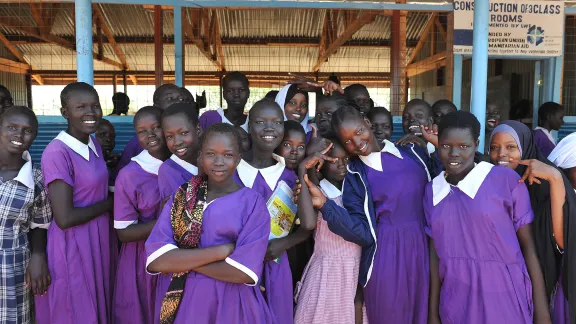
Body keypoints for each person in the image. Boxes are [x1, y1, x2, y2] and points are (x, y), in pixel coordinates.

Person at [426, 111, 551, 323]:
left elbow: (528, 247)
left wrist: (542, 314)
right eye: (446, 146)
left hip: (503, 296)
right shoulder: (433, 190)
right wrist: (432, 313)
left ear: (476, 145)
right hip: (456, 299)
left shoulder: (504, 180)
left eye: (464, 146)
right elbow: (435, 255)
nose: (454, 153)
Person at [145, 123, 274, 324]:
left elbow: (243, 272)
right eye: (211, 154)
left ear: (239, 158)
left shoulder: (252, 203)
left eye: (228, 155)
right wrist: (222, 251)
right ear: (201, 156)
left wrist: (182, 261)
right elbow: (157, 260)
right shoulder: (183, 197)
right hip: (184, 303)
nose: (219, 162)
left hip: (230, 303)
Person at [328, 106, 430, 324]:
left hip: (423, 248)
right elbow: (360, 230)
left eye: (358, 132)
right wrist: (324, 205)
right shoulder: (355, 174)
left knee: (421, 315)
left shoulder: (413, 152)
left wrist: (435, 143)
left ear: (366, 122)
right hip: (385, 256)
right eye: (347, 141)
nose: (356, 143)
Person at [35, 82, 115, 324]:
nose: (90, 112)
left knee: (98, 304)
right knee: (77, 310)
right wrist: (111, 204)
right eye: (80, 106)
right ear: (65, 112)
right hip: (74, 245)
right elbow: (65, 218)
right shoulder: (57, 153)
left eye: (95, 106)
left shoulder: (94, 144)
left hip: (97, 238)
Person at [489, 120, 576, 324]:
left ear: (526, 148)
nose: (501, 154)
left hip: (542, 281)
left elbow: (562, 243)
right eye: (494, 147)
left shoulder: (543, 188)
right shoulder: (486, 182)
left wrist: (555, 178)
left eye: (511, 147)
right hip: (499, 282)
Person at [233, 99, 300, 324]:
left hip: (276, 265)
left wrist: (285, 243)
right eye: (260, 122)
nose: (269, 128)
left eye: (277, 122)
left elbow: (308, 226)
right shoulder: (230, 171)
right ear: (249, 127)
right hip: (235, 266)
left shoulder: (290, 177)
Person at [293, 138, 366, 324]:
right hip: (326, 272)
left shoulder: (358, 192)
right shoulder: (317, 191)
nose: (342, 165)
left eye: (346, 160)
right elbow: (308, 223)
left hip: (355, 270)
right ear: (320, 165)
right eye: (334, 161)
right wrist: (302, 170)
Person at [113, 106, 170, 324]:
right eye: (142, 131)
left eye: (156, 127)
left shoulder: (186, 164)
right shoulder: (130, 174)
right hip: (143, 258)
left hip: (181, 256)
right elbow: (124, 233)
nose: (150, 135)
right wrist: (165, 218)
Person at [0, 106, 52, 323]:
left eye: (27, 130)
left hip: (13, 263)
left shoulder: (36, 179)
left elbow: (40, 224)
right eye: (12, 127)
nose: (19, 135)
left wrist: (38, 256)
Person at [116, 84, 184, 172]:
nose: (178, 102)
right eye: (170, 99)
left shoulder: (187, 135)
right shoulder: (139, 143)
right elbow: (123, 173)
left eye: (180, 98)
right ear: (156, 105)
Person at [158, 103, 201, 201]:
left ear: (198, 129)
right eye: (169, 136)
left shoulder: (215, 158)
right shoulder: (168, 170)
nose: (177, 142)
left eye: (184, 133)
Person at [95, 119, 120, 191]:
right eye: (102, 134)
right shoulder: (82, 163)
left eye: (112, 136)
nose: (108, 139)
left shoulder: (116, 162)